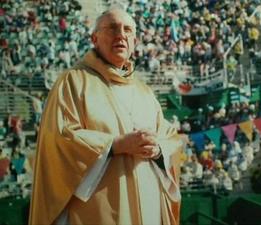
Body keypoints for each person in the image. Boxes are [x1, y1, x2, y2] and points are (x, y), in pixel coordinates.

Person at [29, 7, 184, 225]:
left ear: (134, 41)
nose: (121, 34)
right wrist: (114, 145)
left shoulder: (145, 92)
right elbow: (59, 139)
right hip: (99, 211)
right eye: (112, 28)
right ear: (95, 38)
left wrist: (159, 150)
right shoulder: (73, 82)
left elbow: (170, 138)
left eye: (128, 30)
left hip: (150, 207)